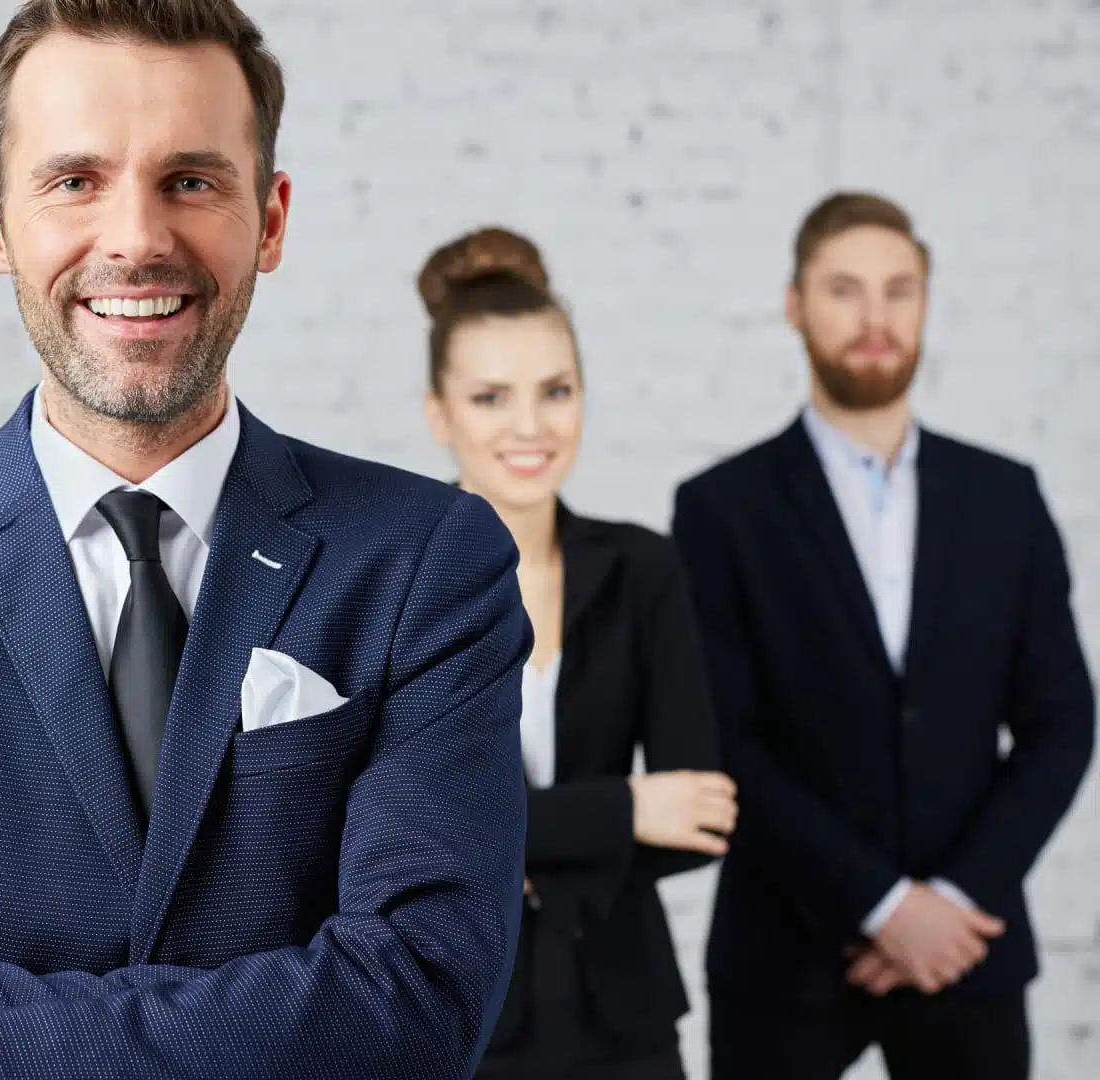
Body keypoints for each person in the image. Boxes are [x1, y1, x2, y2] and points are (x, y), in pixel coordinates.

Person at [0, 3, 531, 1079]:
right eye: (74, 181)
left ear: (272, 218)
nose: (139, 239)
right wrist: (277, 1015)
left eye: (191, 180)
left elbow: (419, 998)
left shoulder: (427, 559)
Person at [672, 191, 1096, 1080]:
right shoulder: (721, 510)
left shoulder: (1006, 498)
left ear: (926, 303)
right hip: (784, 959)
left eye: (899, 290)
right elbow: (722, 739)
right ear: (794, 305)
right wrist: (879, 904)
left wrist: (948, 901)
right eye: (845, 290)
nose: (876, 318)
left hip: (966, 950)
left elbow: (1061, 719)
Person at [418, 228, 736, 1080]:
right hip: (460, 1017)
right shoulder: (392, 583)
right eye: (491, 398)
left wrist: (516, 844)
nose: (531, 427)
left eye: (556, 391)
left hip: (624, 1018)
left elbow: (698, 817)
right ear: (439, 414)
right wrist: (623, 810)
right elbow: (408, 835)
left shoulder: (643, 569)